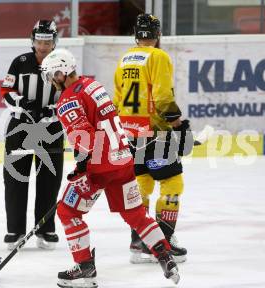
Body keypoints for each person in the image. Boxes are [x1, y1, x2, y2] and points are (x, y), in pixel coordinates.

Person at [41, 48, 180, 288]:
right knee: (135, 214)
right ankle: (165, 256)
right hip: (123, 160)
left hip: (98, 168)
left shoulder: (67, 100)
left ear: (61, 73)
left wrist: (81, 167)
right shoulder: (92, 85)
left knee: (67, 212)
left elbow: (83, 134)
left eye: (52, 75)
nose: (51, 81)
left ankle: (85, 268)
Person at [113, 13, 193, 264]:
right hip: (155, 133)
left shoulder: (125, 58)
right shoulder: (158, 56)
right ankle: (162, 244)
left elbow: (117, 99)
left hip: (130, 132)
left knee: (141, 185)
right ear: (158, 35)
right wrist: (178, 124)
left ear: (136, 35)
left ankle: (139, 242)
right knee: (172, 183)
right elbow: (161, 97)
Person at [0, 20, 64, 251]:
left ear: (54, 41)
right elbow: (6, 91)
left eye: (47, 41)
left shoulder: (63, 62)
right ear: (33, 40)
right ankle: (15, 229)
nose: (43, 46)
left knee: (49, 179)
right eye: (39, 41)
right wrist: (21, 103)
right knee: (15, 178)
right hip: (20, 127)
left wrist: (55, 109)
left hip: (51, 128)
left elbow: (72, 92)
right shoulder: (20, 62)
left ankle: (45, 228)